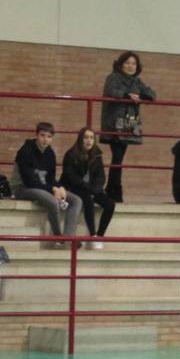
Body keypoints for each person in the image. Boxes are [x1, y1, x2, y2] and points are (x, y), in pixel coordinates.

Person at [100, 51, 155, 202]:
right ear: (121, 64)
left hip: (129, 123)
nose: (131, 66)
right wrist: (129, 95)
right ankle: (114, 191)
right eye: (127, 63)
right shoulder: (113, 77)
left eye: (133, 64)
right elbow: (112, 92)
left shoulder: (137, 81)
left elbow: (152, 94)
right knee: (117, 156)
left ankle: (113, 189)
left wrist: (140, 96)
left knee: (119, 157)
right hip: (115, 122)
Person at [13, 122, 81, 241]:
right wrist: (52, 189)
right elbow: (29, 181)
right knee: (53, 201)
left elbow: (50, 179)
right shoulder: (25, 151)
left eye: (49, 137)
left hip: (43, 187)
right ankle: (58, 238)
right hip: (22, 188)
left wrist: (60, 188)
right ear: (37, 135)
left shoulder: (50, 153)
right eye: (42, 135)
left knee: (76, 200)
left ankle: (69, 237)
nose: (45, 139)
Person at [60, 127, 113, 242]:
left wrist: (96, 189)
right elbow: (70, 177)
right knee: (87, 199)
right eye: (86, 138)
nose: (89, 140)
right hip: (74, 187)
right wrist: (89, 189)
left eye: (91, 138)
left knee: (110, 204)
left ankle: (100, 235)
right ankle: (92, 235)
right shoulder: (71, 154)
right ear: (80, 139)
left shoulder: (97, 155)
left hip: (92, 188)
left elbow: (101, 176)